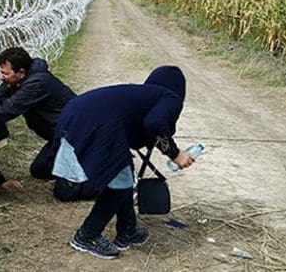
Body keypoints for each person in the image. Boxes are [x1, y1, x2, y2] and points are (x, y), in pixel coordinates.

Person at [53, 66, 196, 259]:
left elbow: (139, 131)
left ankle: (128, 230)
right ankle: (87, 235)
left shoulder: (144, 95)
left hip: (74, 114)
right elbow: (154, 123)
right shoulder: (171, 98)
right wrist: (175, 153)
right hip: (94, 124)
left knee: (124, 173)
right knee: (120, 184)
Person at [0, 47, 77, 176]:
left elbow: (6, 110)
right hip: (60, 135)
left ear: (21, 72)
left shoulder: (36, 83)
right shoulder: (20, 80)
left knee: (59, 185)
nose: (1, 77)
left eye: (5, 73)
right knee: (39, 170)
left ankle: (85, 160)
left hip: (73, 134)